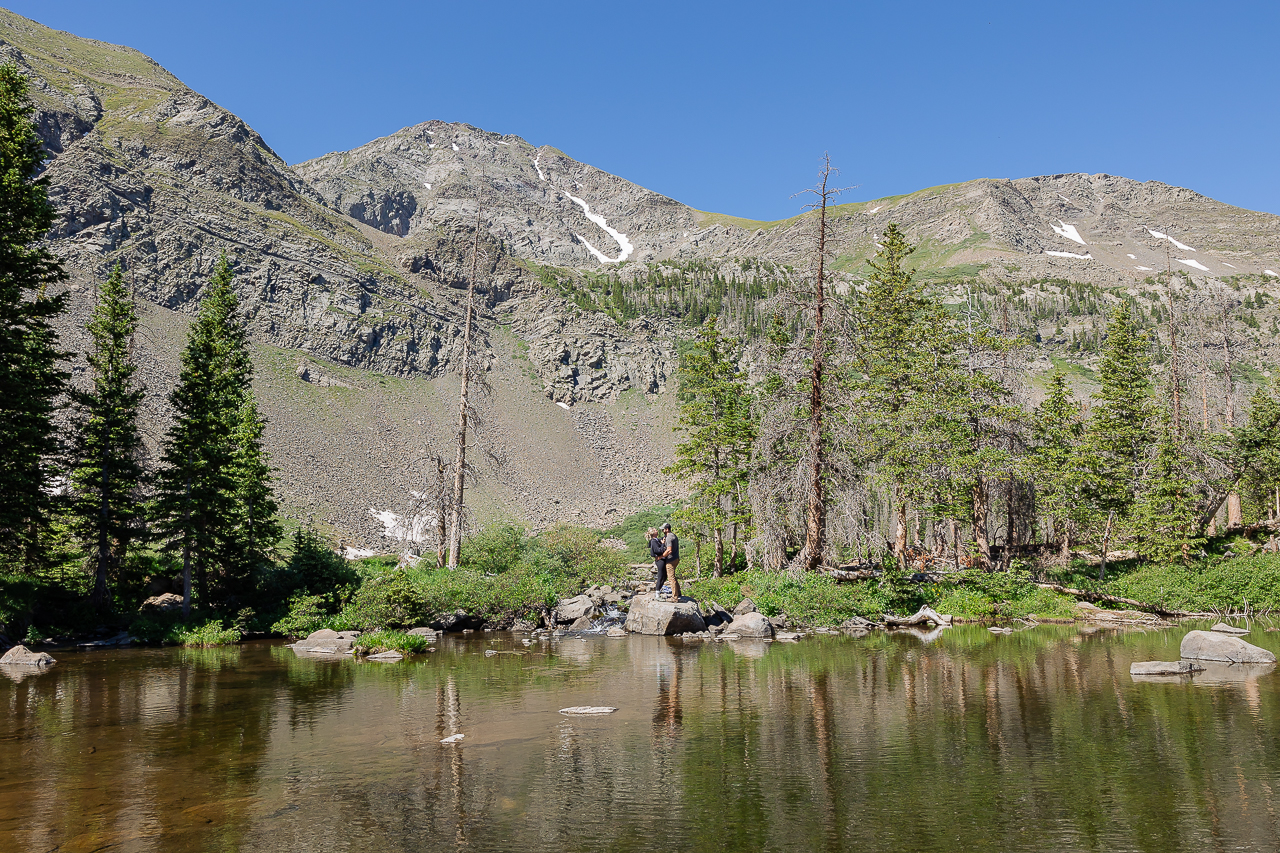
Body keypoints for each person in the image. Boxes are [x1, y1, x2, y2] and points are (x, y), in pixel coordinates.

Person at [659, 523, 681, 601]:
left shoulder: (669, 537)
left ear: (667, 529)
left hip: (671, 560)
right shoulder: (674, 535)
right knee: (673, 576)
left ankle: (675, 597)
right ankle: (678, 592)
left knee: (671, 578)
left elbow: (669, 550)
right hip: (676, 558)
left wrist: (661, 557)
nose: (662, 530)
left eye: (663, 529)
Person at [647, 528, 666, 594]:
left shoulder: (656, 540)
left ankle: (659, 590)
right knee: (660, 576)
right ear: (653, 533)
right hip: (660, 560)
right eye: (655, 530)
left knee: (664, 576)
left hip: (661, 559)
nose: (657, 531)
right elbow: (658, 550)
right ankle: (657, 592)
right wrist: (663, 544)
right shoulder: (653, 541)